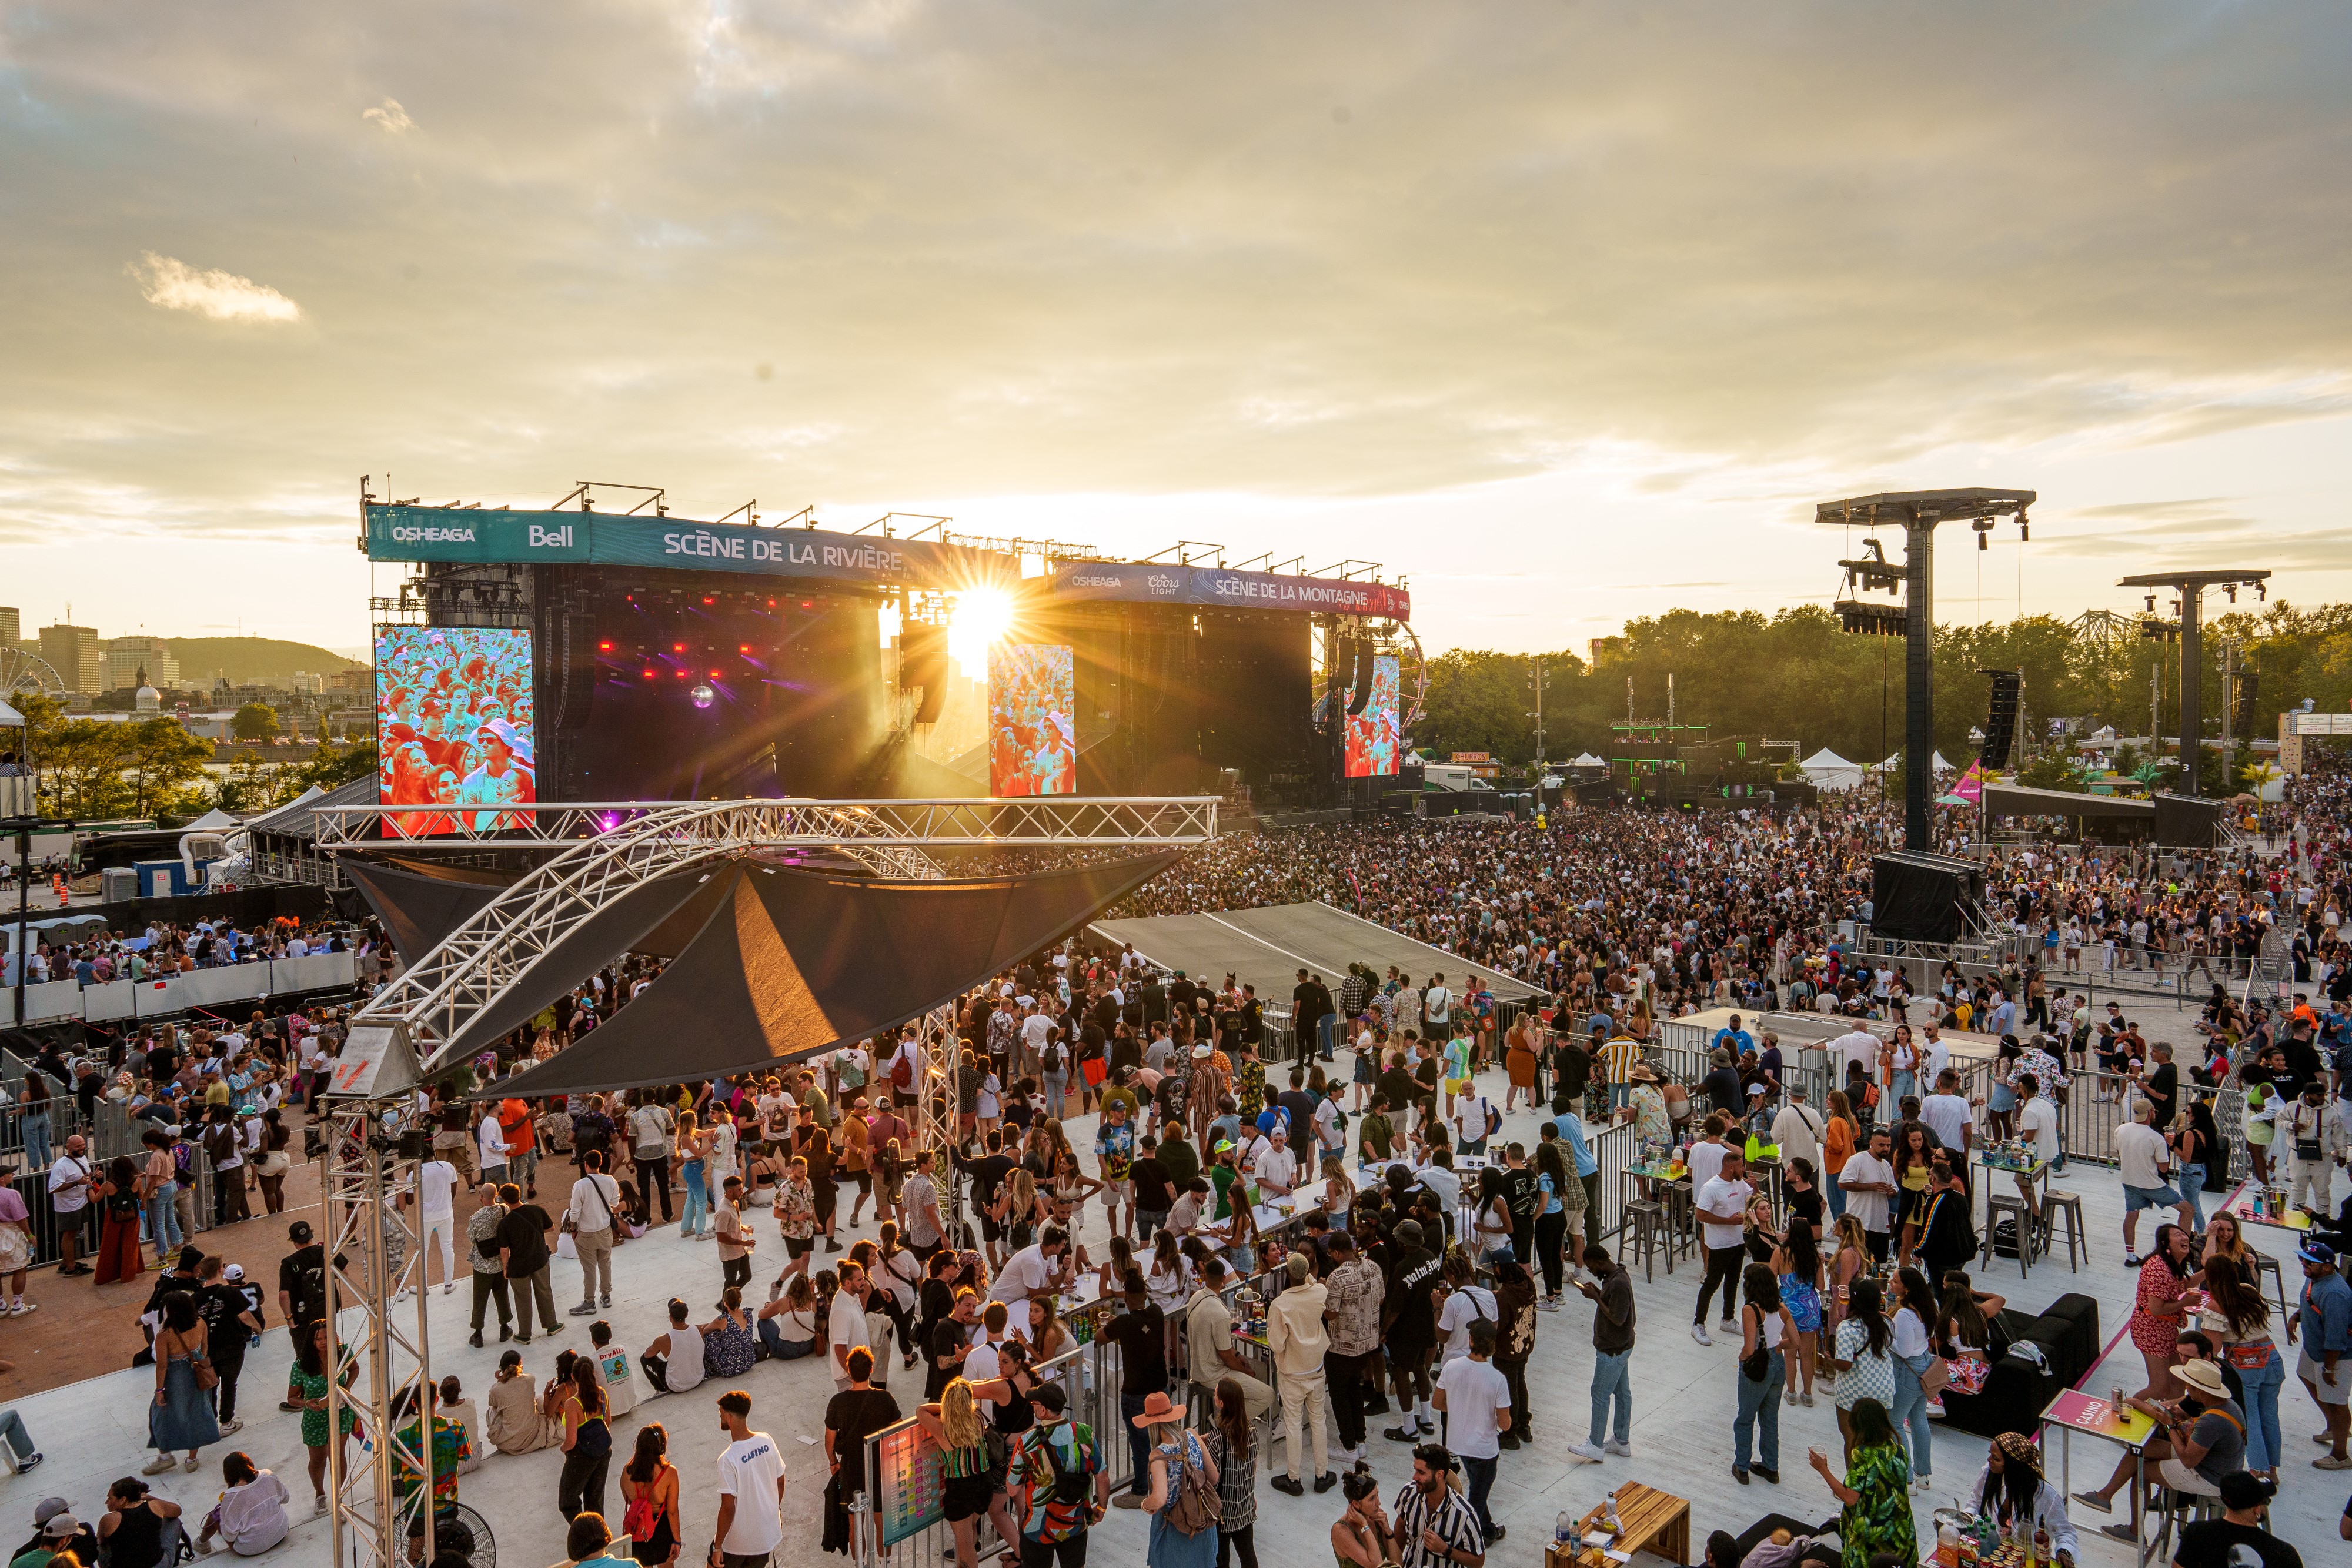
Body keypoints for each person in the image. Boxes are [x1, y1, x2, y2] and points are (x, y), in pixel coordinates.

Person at [2073, 1356, 2247, 1532]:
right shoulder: (2226, 1404)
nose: (2185, 1387)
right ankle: (2104, 1496)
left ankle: (2135, 1532)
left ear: (2200, 1390)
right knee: (2141, 1450)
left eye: (2188, 1385)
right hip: (2216, 1462)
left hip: (2210, 1476)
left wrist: (2170, 1426)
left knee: (2143, 1473)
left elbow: (2188, 1461)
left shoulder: (2211, 1422)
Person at [2199, 1253, 2286, 1477]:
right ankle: (2273, 1469)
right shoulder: (2249, 1289)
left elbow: (2214, 1348)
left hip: (2244, 1366)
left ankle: (2258, 1468)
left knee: (2249, 1418)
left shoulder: (2216, 1305)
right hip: (2272, 1358)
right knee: (2270, 1415)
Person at [1007, 1381, 1107, 1568]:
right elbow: (1103, 1478)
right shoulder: (1085, 1434)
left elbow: (1012, 1490)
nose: (1033, 1408)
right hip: (1076, 1524)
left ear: (1043, 1411)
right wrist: (1101, 1509)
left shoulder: (1027, 1443)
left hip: (1038, 1527)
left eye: (1034, 1404)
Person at [1806, 1399, 1915, 1568]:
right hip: (1900, 1533)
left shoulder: (1863, 1454)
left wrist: (1823, 1469)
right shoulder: (1899, 1449)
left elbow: (1849, 1497)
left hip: (1871, 1537)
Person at [1433, 1319, 1512, 1544]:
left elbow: (1438, 1403)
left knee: (1479, 1488)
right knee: (1475, 1500)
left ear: (1470, 1341)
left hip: (1457, 1445)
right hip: (1484, 1451)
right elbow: (1505, 1425)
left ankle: (1487, 1530)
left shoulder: (1451, 1367)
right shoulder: (1497, 1380)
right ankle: (1460, 1539)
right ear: (1493, 1347)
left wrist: (1459, 1407)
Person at [1265, 1251, 1333, 1495]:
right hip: (1316, 1369)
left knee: (1293, 1424)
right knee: (1318, 1421)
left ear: (1286, 1274)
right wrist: (1309, 1276)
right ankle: (1321, 1475)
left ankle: (1294, 1479)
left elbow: (1277, 1344)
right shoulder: (1319, 1293)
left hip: (1292, 1373)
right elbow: (1316, 1284)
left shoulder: (1280, 1305)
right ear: (1308, 1273)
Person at [826, 1349, 903, 1560]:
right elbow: (898, 1431)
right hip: (880, 1469)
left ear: (849, 1372)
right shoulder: (885, 1398)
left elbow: (829, 1441)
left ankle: (860, 1565)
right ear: (871, 1370)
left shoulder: (837, 1402)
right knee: (881, 1523)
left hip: (851, 1469)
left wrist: (833, 1462)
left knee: (855, 1524)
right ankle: (884, 1562)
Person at [1565, 1241, 1635, 1462]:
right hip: (1621, 1346)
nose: (1591, 1271)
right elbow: (1612, 1305)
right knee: (1622, 1393)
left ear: (1601, 1262)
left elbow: (1618, 1318)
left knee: (1600, 1394)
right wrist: (1597, 1291)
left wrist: (1596, 1297)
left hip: (1613, 1350)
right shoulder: (1613, 1279)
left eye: (1591, 1267)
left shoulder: (1619, 1284)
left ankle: (1595, 1445)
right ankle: (1622, 1441)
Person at [1132, 1389, 1218, 1568]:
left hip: (1175, 1528)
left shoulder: (1158, 1456)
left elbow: (1160, 1498)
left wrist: (1145, 1504)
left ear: (1152, 1424)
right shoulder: (1192, 1435)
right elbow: (1214, 1477)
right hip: (1201, 1522)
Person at [1965, 1433, 2077, 1567]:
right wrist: (1967, 1518)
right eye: (1990, 1454)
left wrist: (2064, 1551)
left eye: (1996, 1458)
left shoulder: (2046, 1495)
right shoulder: (1989, 1473)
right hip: (1993, 1558)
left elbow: (2066, 1532)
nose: (1989, 1460)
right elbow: (1975, 1501)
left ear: (2013, 1466)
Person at [2287, 1238, 2351, 1469]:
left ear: (2328, 1266)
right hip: (2314, 1349)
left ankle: (2341, 1456)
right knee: (2305, 1376)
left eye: (2311, 1261)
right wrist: (2296, 1317)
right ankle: (2333, 1426)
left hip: (2335, 1357)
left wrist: (2328, 1368)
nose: (2305, 1263)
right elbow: (2310, 1300)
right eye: (2304, 1258)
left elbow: (2336, 1339)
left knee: (2337, 1402)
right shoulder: (2315, 1277)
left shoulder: (2335, 1293)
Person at [143, 1290, 219, 1475]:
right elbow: (204, 1348)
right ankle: (192, 1459)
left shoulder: (165, 1334)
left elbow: (162, 1366)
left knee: (160, 1413)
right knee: (197, 1413)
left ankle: (165, 1457)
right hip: (197, 1370)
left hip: (176, 1375)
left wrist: (160, 1389)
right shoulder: (200, 1323)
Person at [711, 1388, 789, 1568]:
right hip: (764, 1538)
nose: (721, 1418)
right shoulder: (766, 1440)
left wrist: (718, 1546)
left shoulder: (728, 1459)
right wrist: (772, 1510)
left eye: (721, 1414)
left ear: (729, 1417)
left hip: (737, 1544)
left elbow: (728, 1508)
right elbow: (781, 1481)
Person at [1734, 1262, 1795, 1485]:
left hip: (1757, 1366)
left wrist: (1742, 1358)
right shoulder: (1782, 1308)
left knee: (1745, 1418)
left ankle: (1742, 1467)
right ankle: (1771, 1467)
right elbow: (1796, 1342)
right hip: (1778, 1366)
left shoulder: (1750, 1310)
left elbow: (1749, 1348)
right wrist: (1778, 1346)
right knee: (1770, 1420)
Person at [2171, 1470, 2302, 1568]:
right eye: (2266, 1502)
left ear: (2226, 1501)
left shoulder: (2197, 1533)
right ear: (2257, 1509)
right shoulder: (2284, 1554)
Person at [1832, 1278, 1897, 1465]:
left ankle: (1854, 1486)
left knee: (1852, 1439)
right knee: (1878, 1441)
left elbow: (1845, 1365)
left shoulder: (1847, 1328)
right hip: (1882, 1390)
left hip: (1854, 1393)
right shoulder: (1887, 1323)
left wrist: (1831, 1361)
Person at [1693, 1144, 1754, 1344]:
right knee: (1711, 1284)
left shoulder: (1739, 1182)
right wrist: (1728, 1221)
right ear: (1730, 1168)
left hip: (1737, 1242)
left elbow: (1750, 1195)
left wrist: (1754, 1187)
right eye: (1741, 1166)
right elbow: (1700, 1215)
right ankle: (1698, 1324)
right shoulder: (1711, 1188)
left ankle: (1728, 1319)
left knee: (1733, 1282)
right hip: (1718, 1245)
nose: (1743, 1168)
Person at [1389, 1442, 1484, 1568]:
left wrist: (1446, 1549)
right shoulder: (1409, 1493)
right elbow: (1401, 1525)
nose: (1415, 1477)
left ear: (1439, 1475)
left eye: (1421, 1473)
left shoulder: (1465, 1515)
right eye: (1415, 1470)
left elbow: (1478, 1562)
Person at [1199, 1379, 1259, 1568]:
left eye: (1216, 1393)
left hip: (1222, 1512)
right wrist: (1252, 1494)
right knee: (1248, 1556)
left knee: (1222, 1559)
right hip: (1245, 1506)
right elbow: (1253, 1466)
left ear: (1221, 1403)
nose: (1214, 1395)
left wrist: (1202, 1445)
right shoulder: (1252, 1429)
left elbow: (1212, 1479)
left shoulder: (1218, 1438)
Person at [2117, 1101, 2183, 1265]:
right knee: (2188, 1210)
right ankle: (2183, 1251)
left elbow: (2122, 1154)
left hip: (2129, 1180)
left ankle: (2131, 1256)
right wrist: (2170, 1146)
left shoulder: (2121, 1130)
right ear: (2151, 1112)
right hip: (2151, 1184)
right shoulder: (2156, 1138)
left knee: (2131, 1215)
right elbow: (2163, 1168)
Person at [191, 1451, 292, 1558]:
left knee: (214, 1516)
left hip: (251, 1548)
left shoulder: (230, 1496)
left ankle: (201, 1544)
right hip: (281, 1532)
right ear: (250, 1463)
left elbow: (229, 1536)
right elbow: (286, 1498)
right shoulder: (268, 1474)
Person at [495, 1181, 557, 1343]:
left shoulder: (505, 1223)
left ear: (505, 1201)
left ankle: (524, 1334)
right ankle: (551, 1325)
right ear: (519, 1195)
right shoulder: (537, 1210)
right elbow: (551, 1228)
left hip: (519, 1266)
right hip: (540, 1259)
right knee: (544, 1291)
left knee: (522, 1300)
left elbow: (504, 1250)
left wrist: (505, 1268)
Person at [556, 1351, 614, 1523]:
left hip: (582, 1457)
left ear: (573, 1377)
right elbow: (608, 1421)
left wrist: (563, 1449)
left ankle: (584, 1533)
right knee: (595, 1502)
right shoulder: (602, 1394)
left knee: (568, 1502)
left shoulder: (573, 1404)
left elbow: (571, 1441)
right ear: (593, 1373)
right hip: (603, 1452)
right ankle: (598, 1534)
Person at [566, 1148, 622, 1315]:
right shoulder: (610, 1180)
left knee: (589, 1268)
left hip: (586, 1232)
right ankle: (606, 1295)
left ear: (586, 1165)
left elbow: (574, 1212)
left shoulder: (580, 1185)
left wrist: (573, 1229)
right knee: (605, 1263)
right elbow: (614, 1202)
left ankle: (589, 1301)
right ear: (600, 1163)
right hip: (605, 1229)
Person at [617, 1423, 680, 1567]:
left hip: (638, 1530)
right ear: (661, 1447)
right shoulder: (670, 1473)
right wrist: (677, 1541)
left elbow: (628, 1501)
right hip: (662, 1528)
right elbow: (672, 1511)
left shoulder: (627, 1472)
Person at [95, 1479, 182, 1568]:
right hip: (157, 1565)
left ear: (123, 1500)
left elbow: (98, 1542)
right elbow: (177, 1510)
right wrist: (151, 1498)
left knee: (99, 1543)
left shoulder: (107, 1520)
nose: (107, 1502)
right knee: (174, 1521)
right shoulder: (155, 1506)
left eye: (110, 1498)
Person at [486, 1348, 559, 1455]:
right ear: (519, 1367)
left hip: (509, 1444)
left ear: (501, 1370)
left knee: (491, 1411)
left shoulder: (496, 1389)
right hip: (533, 1436)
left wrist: (500, 1381)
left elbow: (493, 1403)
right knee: (538, 1399)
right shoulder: (530, 1379)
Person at [1330, 1466, 1397, 1568]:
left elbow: (1398, 1564)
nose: (1378, 1503)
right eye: (1372, 1499)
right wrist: (1364, 1525)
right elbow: (1377, 1564)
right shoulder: (1341, 1531)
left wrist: (1388, 1532)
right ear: (1356, 1504)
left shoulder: (1377, 1517)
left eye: (1377, 1495)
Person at [640, 1298, 706, 1395]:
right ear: (686, 1315)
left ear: (671, 1318)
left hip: (677, 1386)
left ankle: (661, 1390)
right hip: (699, 1379)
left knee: (643, 1359)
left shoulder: (662, 1340)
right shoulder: (699, 1329)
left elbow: (647, 1355)